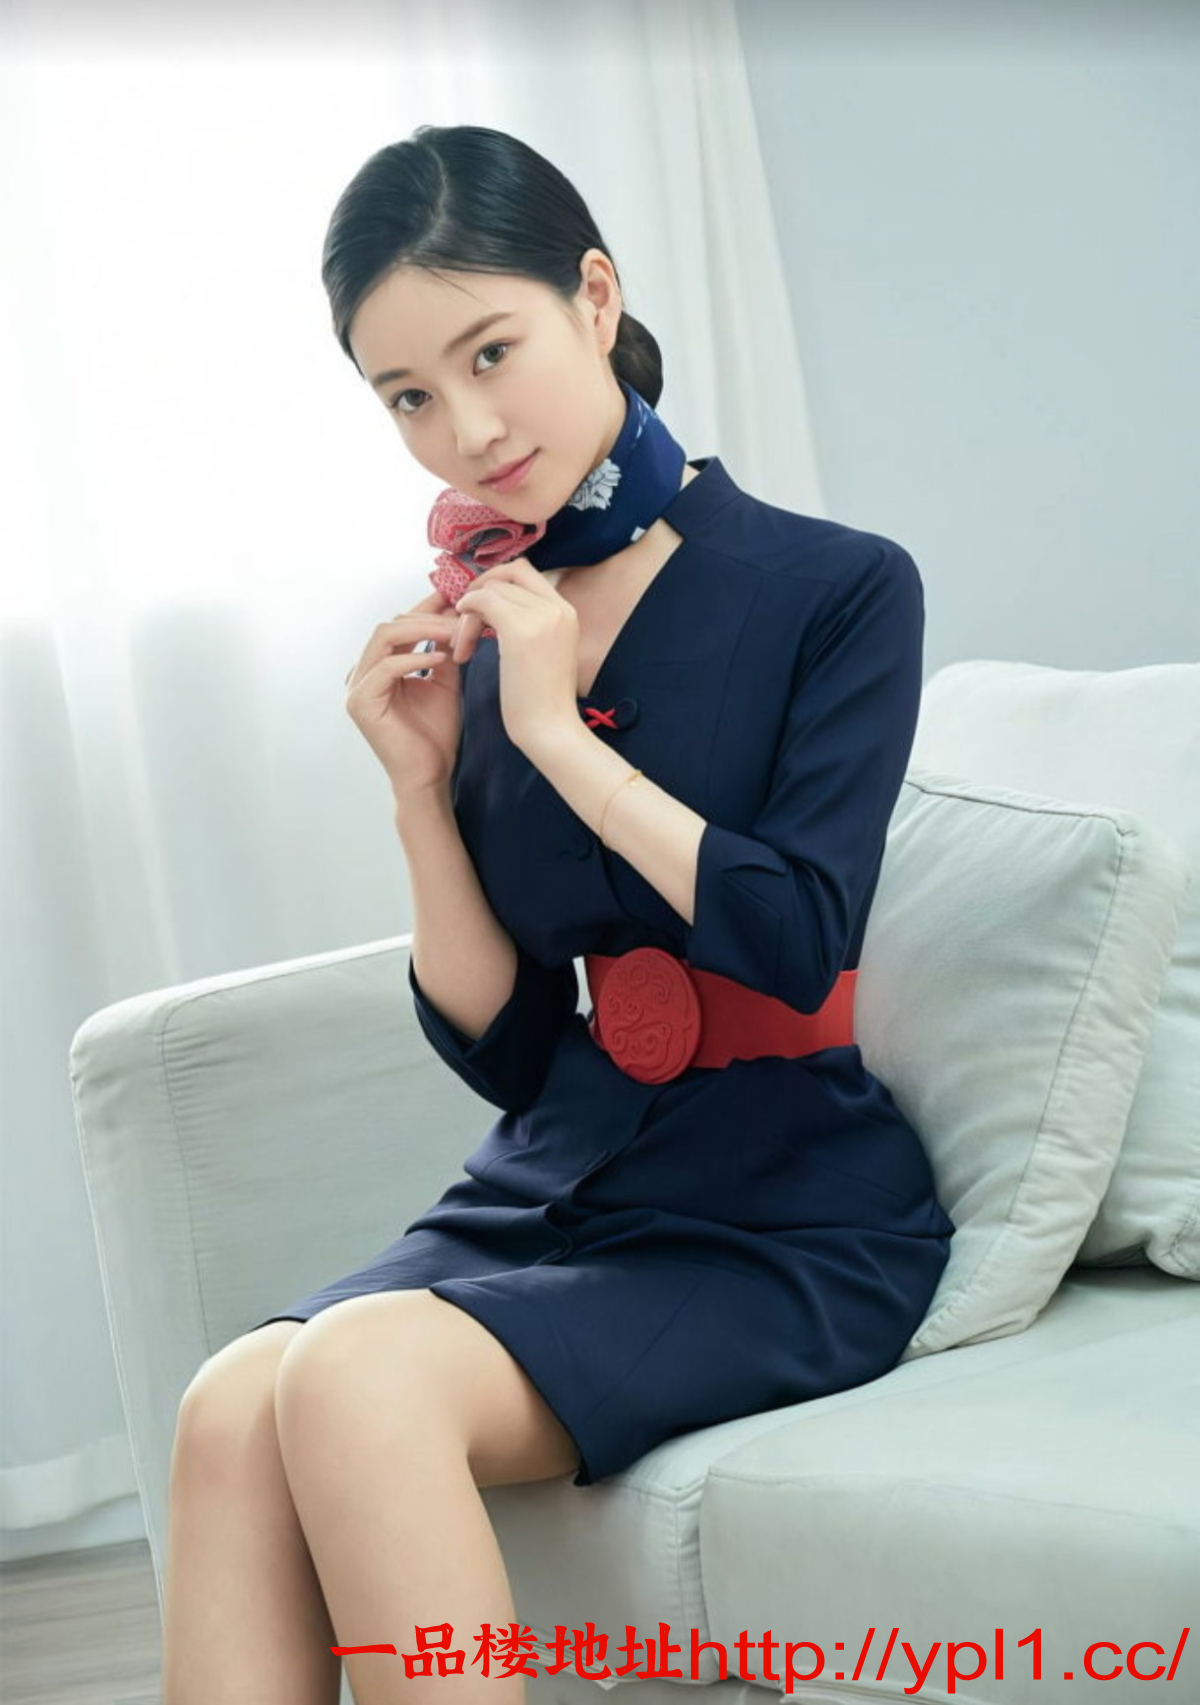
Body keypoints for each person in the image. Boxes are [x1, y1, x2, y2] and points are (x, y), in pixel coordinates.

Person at [161, 123, 955, 1705]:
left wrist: (553, 736)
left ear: (594, 297)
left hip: (784, 1203)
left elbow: (799, 933)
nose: (464, 431)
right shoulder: (485, 628)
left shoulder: (837, 586)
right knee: (229, 1407)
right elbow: (515, 1049)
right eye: (407, 397)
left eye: (490, 352)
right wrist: (419, 789)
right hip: (559, 1173)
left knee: (357, 1376)